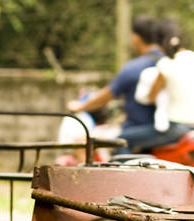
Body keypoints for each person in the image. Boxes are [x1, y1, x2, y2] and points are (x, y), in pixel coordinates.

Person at [67, 15, 163, 154]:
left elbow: (105, 96)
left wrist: (80, 106)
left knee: (85, 143)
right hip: (165, 129)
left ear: (136, 37)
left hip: (139, 129)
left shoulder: (133, 68)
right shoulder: (169, 63)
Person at [145, 18, 194, 142]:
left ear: (160, 43)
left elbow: (151, 97)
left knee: (124, 139)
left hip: (178, 128)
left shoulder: (165, 63)